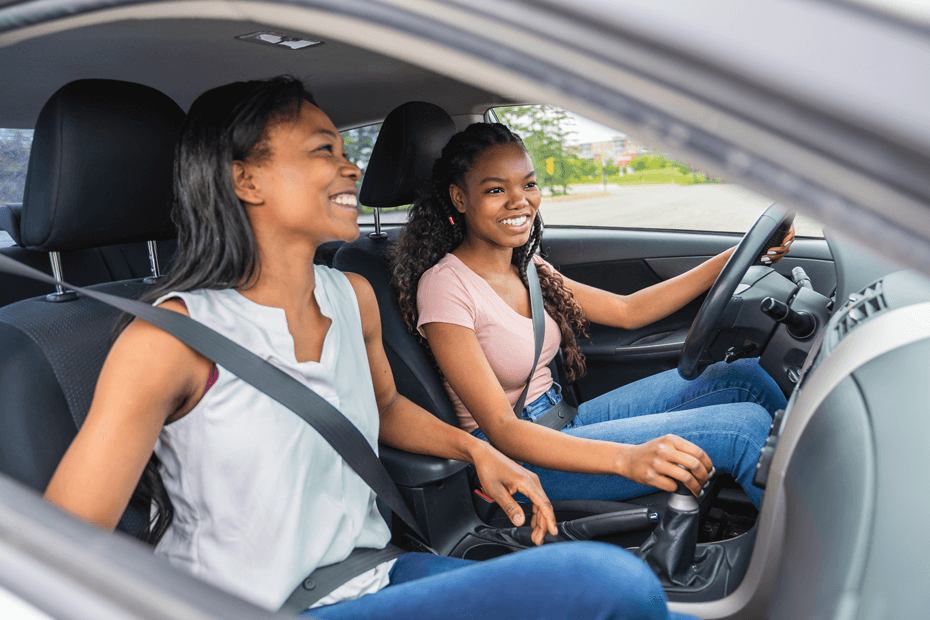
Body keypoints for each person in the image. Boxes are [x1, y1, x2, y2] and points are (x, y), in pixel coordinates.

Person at [43, 77, 698, 620]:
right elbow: (58, 553)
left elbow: (382, 406)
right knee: (606, 587)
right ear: (247, 180)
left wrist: (475, 447)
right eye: (323, 150)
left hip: (374, 572)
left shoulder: (351, 294)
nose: (349, 165)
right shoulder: (169, 338)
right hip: (253, 605)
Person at [393, 122, 792, 509]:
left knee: (744, 376)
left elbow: (628, 310)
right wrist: (627, 459)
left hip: (564, 420)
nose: (520, 201)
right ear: (460, 199)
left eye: (529, 184)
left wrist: (738, 256)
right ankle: (813, 553)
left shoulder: (527, 264)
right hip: (517, 461)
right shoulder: (444, 286)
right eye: (496, 190)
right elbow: (504, 430)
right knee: (743, 429)